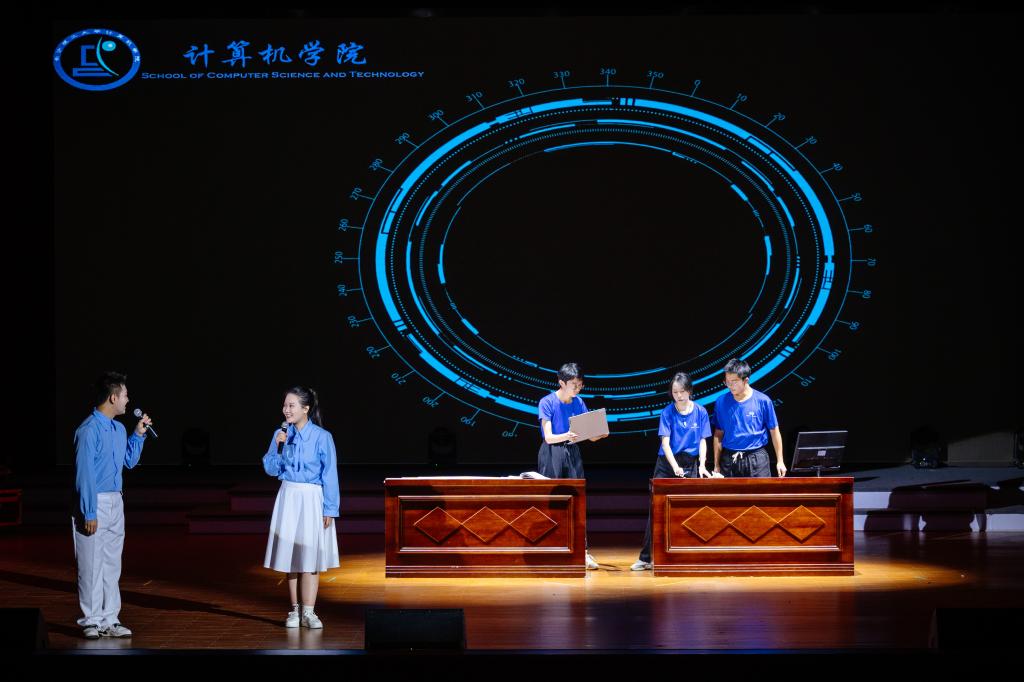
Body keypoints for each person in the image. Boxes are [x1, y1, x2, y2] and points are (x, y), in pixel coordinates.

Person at [72, 371, 152, 639]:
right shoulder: (88, 430)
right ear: (113, 397)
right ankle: (91, 619)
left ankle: (110, 618)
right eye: (125, 395)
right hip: (94, 501)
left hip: (116, 500)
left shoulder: (118, 429)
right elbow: (85, 474)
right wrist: (89, 511)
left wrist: (138, 435)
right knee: (90, 564)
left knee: (111, 564)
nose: (128, 400)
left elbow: (128, 461)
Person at [262, 386, 340, 629]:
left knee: (310, 556)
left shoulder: (322, 437)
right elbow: (271, 469)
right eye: (285, 405)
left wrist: (330, 508)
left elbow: (330, 474)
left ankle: (309, 611)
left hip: (311, 497)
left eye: (291, 405)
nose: (286, 410)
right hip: (289, 495)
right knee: (291, 557)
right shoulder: (281, 433)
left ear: (305, 408)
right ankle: (294, 610)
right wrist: (278, 447)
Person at [632, 372, 714, 571]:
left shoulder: (700, 412)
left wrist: (702, 465)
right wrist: (675, 467)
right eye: (675, 392)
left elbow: (703, 440)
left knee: (688, 511)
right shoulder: (667, 412)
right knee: (656, 509)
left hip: (690, 463)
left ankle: (685, 555)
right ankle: (646, 557)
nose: (679, 396)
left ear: (690, 391)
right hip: (667, 464)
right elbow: (665, 443)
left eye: (682, 392)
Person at [537, 362, 606, 570]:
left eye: (580, 384)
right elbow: (549, 437)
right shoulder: (547, 402)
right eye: (574, 385)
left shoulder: (579, 402)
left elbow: (589, 435)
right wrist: (567, 435)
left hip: (572, 451)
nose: (577, 388)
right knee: (552, 501)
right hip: (552, 453)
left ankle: (582, 552)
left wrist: (600, 433)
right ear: (562, 383)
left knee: (577, 500)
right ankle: (551, 549)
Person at [712, 358, 786, 478]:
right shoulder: (721, 402)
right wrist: (716, 464)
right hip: (729, 460)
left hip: (757, 459)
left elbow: (774, 431)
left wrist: (780, 461)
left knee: (759, 491)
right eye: (727, 382)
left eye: (734, 381)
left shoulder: (763, 401)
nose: (730, 386)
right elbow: (718, 434)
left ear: (746, 380)